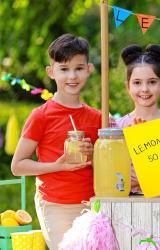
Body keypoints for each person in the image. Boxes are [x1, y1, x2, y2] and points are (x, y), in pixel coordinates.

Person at [11, 34, 101, 249]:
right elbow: (17, 165)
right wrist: (57, 165)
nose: (72, 75)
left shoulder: (98, 117)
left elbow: (109, 164)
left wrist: (95, 154)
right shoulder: (41, 116)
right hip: (55, 204)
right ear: (51, 72)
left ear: (88, 69)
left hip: (92, 204)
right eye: (64, 69)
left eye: (78, 68)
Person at [116, 44, 160, 193]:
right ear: (128, 86)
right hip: (127, 204)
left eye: (152, 82)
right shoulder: (118, 127)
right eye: (137, 83)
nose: (144, 89)